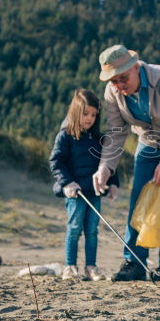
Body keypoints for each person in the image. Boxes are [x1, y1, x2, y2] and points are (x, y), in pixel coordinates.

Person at [92, 44, 160, 282]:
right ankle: (134, 261)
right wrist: (105, 167)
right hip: (150, 141)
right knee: (139, 201)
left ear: (136, 66)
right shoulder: (113, 93)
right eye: (114, 81)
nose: (120, 85)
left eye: (123, 78)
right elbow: (115, 132)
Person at [48, 89, 119, 280]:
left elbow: (108, 162)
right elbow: (56, 162)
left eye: (94, 115)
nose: (89, 119)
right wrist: (67, 182)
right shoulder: (66, 136)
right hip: (75, 192)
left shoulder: (98, 138)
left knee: (92, 230)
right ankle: (70, 266)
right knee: (74, 228)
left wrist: (113, 183)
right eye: (85, 114)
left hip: (94, 192)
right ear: (75, 112)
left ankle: (91, 267)